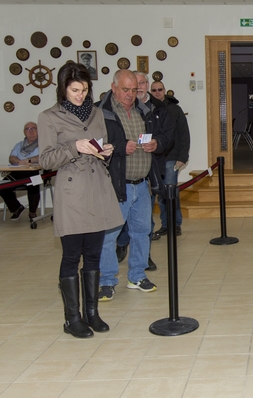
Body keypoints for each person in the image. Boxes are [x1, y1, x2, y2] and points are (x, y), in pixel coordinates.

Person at [38, 62, 124, 338]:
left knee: (95, 255)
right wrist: (74, 146)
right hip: (72, 191)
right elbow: (46, 159)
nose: (80, 94)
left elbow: (101, 146)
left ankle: (92, 312)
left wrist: (106, 151)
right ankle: (72, 318)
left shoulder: (98, 113)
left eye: (85, 89)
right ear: (63, 89)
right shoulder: (49, 117)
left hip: (98, 186)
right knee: (72, 256)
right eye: (75, 90)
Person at [96, 69, 173, 301]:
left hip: (142, 184)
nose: (130, 94)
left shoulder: (146, 111)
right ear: (113, 87)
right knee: (110, 235)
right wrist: (120, 147)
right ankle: (107, 280)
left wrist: (157, 143)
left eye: (134, 90)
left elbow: (166, 138)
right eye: (125, 90)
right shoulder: (101, 114)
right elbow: (95, 146)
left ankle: (137, 275)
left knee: (142, 232)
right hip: (116, 185)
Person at [150, 80, 190, 239]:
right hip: (153, 159)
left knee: (170, 194)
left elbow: (184, 134)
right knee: (158, 195)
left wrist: (183, 156)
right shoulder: (147, 109)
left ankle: (176, 224)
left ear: (164, 90)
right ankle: (165, 225)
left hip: (171, 158)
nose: (157, 92)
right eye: (154, 90)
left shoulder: (175, 110)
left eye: (160, 89)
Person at [1, 122, 41, 220]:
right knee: (3, 186)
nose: (30, 131)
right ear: (24, 132)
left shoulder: (44, 144)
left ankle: (32, 213)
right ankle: (17, 208)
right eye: (27, 129)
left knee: (34, 184)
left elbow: (44, 157)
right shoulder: (19, 145)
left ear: (38, 130)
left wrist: (29, 160)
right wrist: (19, 162)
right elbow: (11, 157)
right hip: (18, 172)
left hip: (35, 172)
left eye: (33, 128)